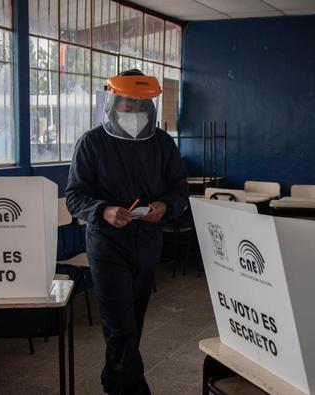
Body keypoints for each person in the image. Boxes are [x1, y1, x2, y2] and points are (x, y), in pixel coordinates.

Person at [65, 69, 188, 394]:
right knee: (120, 328)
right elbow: (75, 197)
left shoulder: (162, 143)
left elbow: (179, 190)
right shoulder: (91, 143)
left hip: (147, 245)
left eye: (141, 105)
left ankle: (111, 380)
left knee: (131, 324)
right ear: (113, 102)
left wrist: (165, 207)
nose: (134, 112)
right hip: (108, 246)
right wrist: (103, 210)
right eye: (127, 104)